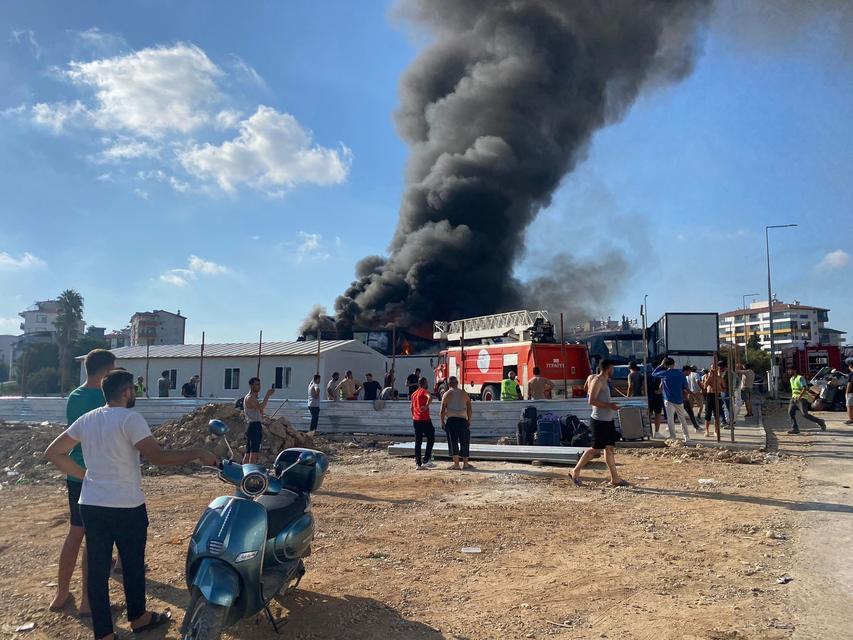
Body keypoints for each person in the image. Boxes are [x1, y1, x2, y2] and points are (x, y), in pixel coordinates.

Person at [44, 369, 217, 640]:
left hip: (91, 504)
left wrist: (85, 475)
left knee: (97, 571)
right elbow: (157, 457)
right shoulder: (130, 419)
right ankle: (138, 619)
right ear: (126, 391)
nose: (134, 393)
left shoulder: (87, 419)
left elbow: (54, 452)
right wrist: (197, 452)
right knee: (133, 565)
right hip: (126, 506)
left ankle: (104, 633)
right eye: (132, 389)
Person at [49, 349, 116, 616]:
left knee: (75, 532)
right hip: (98, 475)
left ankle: (61, 593)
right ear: (107, 370)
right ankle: (89, 601)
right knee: (95, 539)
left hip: (74, 473)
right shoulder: (105, 398)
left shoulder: (74, 397)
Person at [568, 359, 627, 487]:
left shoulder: (604, 380)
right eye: (612, 367)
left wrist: (609, 406)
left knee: (609, 448)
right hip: (599, 420)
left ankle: (615, 478)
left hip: (607, 420)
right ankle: (575, 471)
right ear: (607, 368)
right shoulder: (597, 380)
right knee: (595, 449)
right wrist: (609, 405)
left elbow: (587, 389)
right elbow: (591, 400)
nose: (614, 370)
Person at [652, 358, 694, 442]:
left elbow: (654, 373)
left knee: (670, 419)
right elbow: (685, 387)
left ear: (665, 365)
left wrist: (661, 365)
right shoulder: (681, 374)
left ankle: (673, 437)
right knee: (682, 418)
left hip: (668, 399)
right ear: (674, 364)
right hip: (679, 399)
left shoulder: (665, 373)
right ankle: (687, 437)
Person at [440, 376, 473, 470]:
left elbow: (442, 410)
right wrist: (469, 420)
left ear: (449, 384)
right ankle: (466, 464)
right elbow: (470, 409)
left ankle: (456, 464)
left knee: (453, 441)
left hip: (451, 420)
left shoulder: (446, 394)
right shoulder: (464, 393)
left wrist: (442, 422)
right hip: (463, 420)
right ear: (457, 383)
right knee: (465, 441)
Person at [787, 365, 827, 434]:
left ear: (794, 370)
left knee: (805, 414)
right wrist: (794, 397)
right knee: (790, 412)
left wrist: (799, 397)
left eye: (790, 370)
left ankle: (820, 421)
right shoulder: (791, 379)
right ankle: (795, 429)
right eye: (788, 370)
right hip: (794, 399)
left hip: (801, 399)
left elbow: (805, 388)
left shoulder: (800, 378)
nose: (789, 371)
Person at [243, 377, 274, 463]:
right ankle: (250, 472)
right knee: (253, 452)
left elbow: (259, 408)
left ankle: (243, 471)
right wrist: (267, 395)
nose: (259, 387)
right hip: (254, 425)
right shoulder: (250, 397)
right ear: (251, 385)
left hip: (253, 425)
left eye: (259, 385)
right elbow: (261, 406)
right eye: (256, 384)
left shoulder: (253, 397)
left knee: (249, 452)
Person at [410, 377, 435, 470]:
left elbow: (411, 407)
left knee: (418, 442)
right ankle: (426, 460)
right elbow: (430, 397)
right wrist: (427, 406)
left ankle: (418, 463)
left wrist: (414, 415)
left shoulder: (413, 394)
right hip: (424, 419)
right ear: (424, 383)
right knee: (431, 438)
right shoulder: (424, 391)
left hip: (416, 420)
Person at [680, 366, 702, 430]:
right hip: (683, 398)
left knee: (688, 412)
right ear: (686, 370)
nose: (690, 373)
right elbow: (686, 389)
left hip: (682, 398)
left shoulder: (683, 376)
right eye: (689, 371)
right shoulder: (682, 377)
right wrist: (694, 395)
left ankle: (696, 426)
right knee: (690, 412)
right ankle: (696, 426)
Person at [845, 360, 853, 426]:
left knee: (849, 406)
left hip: (851, 393)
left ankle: (851, 420)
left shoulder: (851, 374)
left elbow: (849, 384)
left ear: (850, 366)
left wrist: (846, 393)